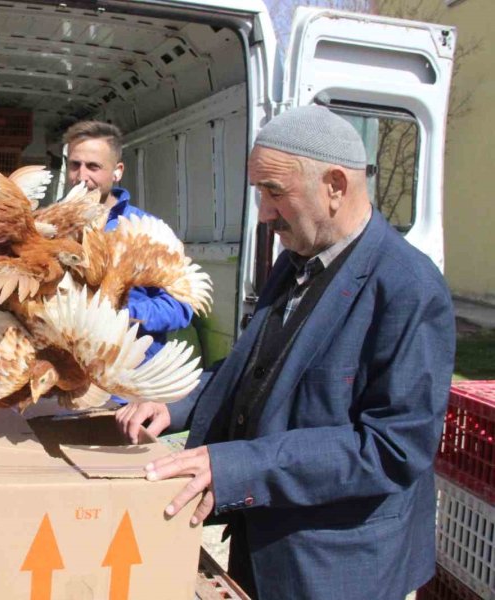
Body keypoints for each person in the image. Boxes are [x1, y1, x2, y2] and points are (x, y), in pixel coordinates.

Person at [115, 105, 455, 599]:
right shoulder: (296, 260)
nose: (264, 213)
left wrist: (238, 467)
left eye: (275, 192)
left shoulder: (409, 287)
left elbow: (393, 448)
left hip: (335, 566)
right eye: (260, 192)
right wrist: (175, 401)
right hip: (263, 544)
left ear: (335, 185)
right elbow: (255, 370)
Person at [63, 120, 194, 367]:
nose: (81, 177)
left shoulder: (147, 230)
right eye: (74, 165)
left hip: (126, 375)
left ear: (117, 171)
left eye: (93, 166)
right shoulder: (52, 228)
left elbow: (180, 308)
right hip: (64, 371)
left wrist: (121, 312)